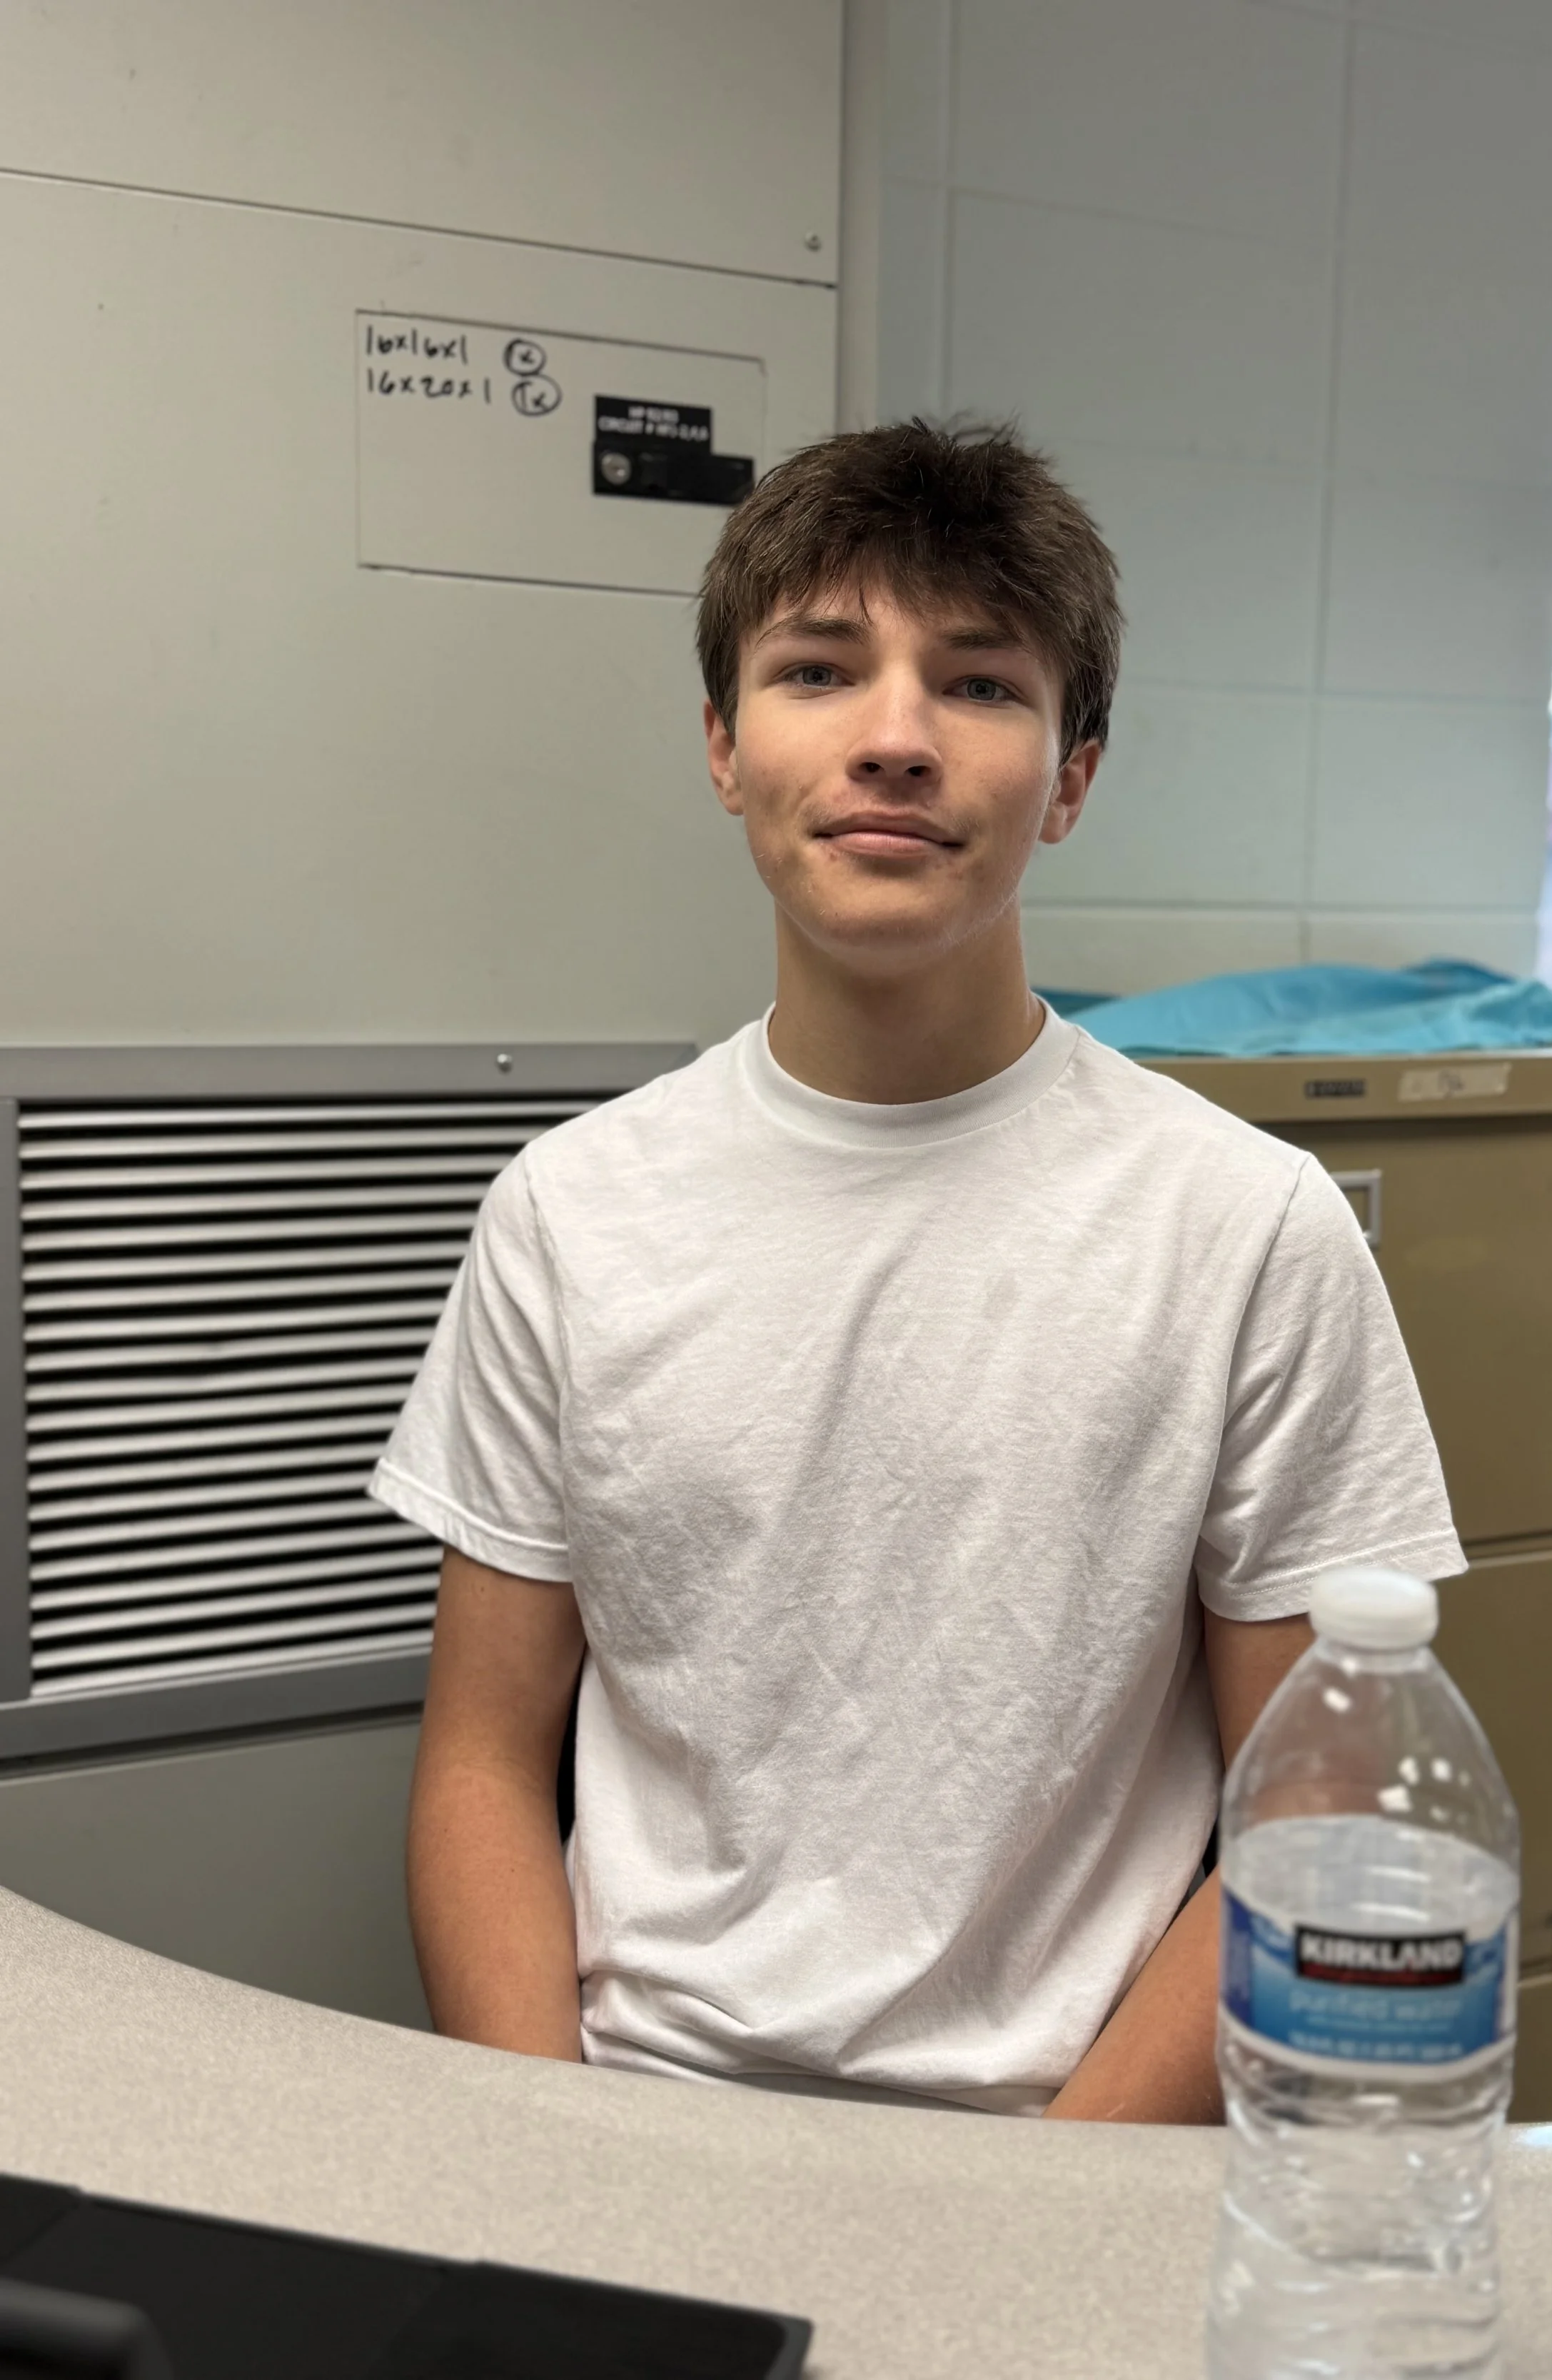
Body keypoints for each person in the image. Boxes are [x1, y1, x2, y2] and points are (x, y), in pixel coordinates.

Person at [371, 421, 1463, 2122]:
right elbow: (482, 1760)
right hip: (638, 2120)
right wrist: (550, 2160)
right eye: (819, 669)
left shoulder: (1246, 1227)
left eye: (976, 684)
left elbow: (1313, 1807)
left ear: (1072, 775)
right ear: (725, 747)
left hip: (1068, 2144)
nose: (892, 739)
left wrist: (1040, 2192)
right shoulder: (572, 1211)